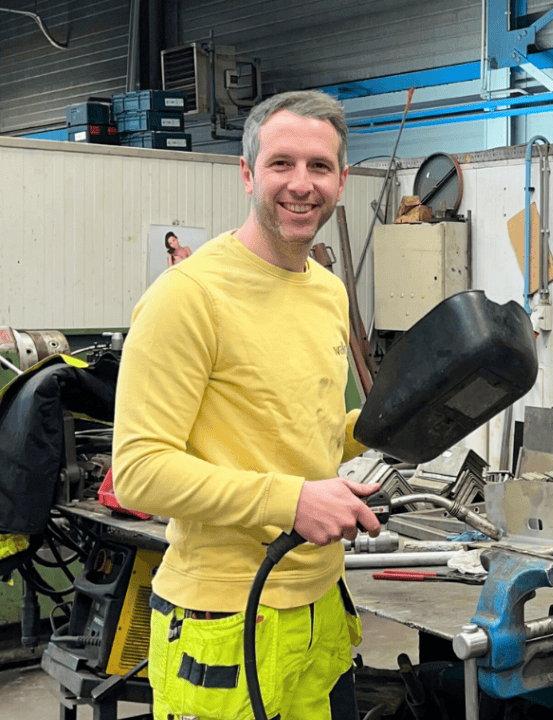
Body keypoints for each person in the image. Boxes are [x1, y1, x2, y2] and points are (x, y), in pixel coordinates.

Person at [113, 90, 382, 720]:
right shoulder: (189, 296)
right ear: (246, 173)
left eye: (319, 167)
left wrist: (393, 422)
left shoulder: (327, 291)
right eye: (281, 163)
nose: (302, 184)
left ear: (342, 180)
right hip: (226, 618)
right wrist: (292, 501)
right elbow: (139, 472)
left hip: (322, 610)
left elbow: (308, 434)